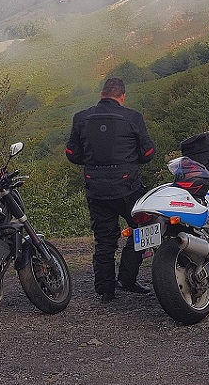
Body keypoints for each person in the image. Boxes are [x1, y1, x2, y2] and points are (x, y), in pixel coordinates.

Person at [65, 77, 156, 304]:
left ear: (102, 93)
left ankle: (106, 291)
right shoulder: (132, 117)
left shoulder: (81, 118)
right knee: (143, 229)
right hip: (128, 186)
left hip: (96, 187)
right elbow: (149, 153)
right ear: (122, 96)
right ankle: (127, 279)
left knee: (104, 240)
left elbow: (71, 154)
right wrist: (129, 161)